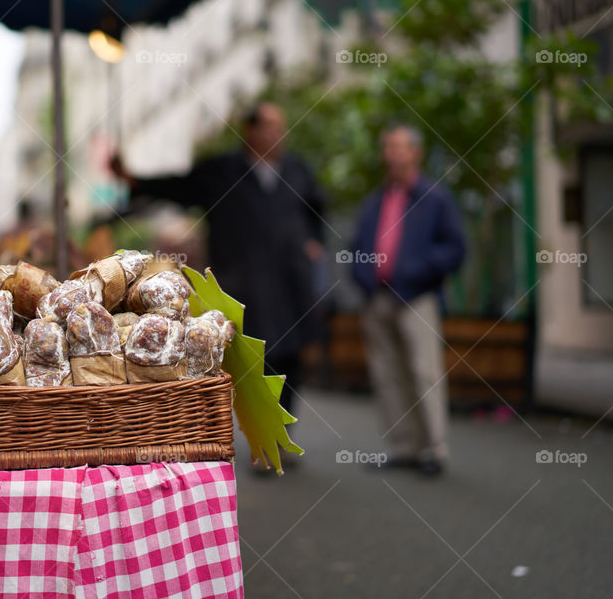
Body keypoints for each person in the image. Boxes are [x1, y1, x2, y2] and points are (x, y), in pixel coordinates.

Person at [109, 102, 326, 419]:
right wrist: (133, 180)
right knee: (249, 359)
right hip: (242, 285)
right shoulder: (221, 172)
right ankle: (255, 428)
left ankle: (281, 430)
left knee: (289, 357)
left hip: (290, 282)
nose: (280, 134)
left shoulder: (297, 170)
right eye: (271, 127)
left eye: (282, 127)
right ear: (251, 132)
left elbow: (317, 211)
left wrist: (314, 242)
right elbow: (178, 187)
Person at [350, 125, 466, 477]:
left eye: (401, 147)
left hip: (417, 299)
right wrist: (365, 279)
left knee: (423, 372)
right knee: (387, 375)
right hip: (379, 301)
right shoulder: (376, 201)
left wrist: (415, 272)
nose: (394, 153)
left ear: (416, 153)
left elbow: (455, 249)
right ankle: (403, 448)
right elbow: (357, 249)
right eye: (389, 147)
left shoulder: (435, 198)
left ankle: (434, 449)